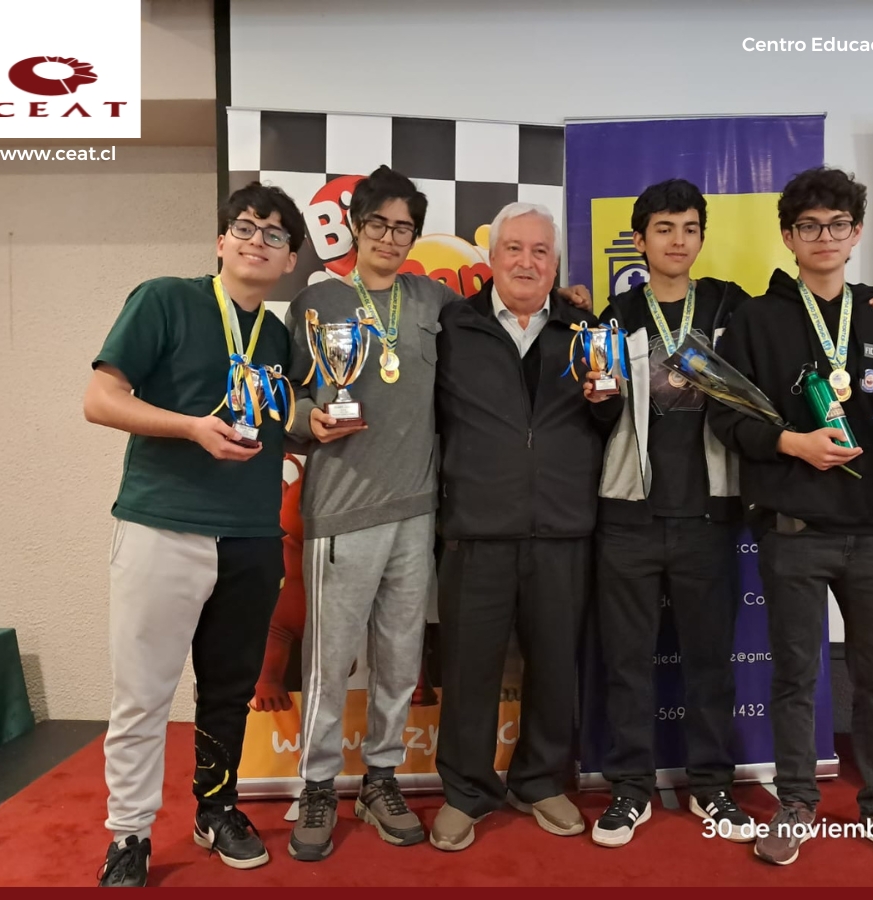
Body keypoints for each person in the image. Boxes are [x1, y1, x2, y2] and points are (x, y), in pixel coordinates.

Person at [590, 179, 873, 848]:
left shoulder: (735, 307)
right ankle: (629, 789)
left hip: (714, 511)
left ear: (702, 238)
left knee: (710, 660)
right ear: (640, 239)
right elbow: (596, 408)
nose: (678, 241)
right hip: (630, 512)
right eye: (664, 229)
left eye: (688, 229)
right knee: (626, 661)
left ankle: (711, 787)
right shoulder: (612, 317)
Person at [284, 169, 591, 861]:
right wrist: (310, 420)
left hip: (421, 515)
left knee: (399, 661)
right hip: (347, 512)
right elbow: (285, 401)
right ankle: (318, 785)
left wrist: (571, 301)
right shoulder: (316, 302)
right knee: (332, 664)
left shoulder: (435, 304)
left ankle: (383, 779)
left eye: (402, 228)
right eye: (378, 225)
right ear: (355, 228)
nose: (390, 238)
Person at [709, 166, 873, 875]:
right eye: (809, 225)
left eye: (837, 225)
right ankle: (795, 803)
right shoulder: (756, 319)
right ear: (787, 236)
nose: (824, 237)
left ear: (857, 233)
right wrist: (792, 442)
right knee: (795, 676)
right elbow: (726, 417)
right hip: (795, 529)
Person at [83, 182, 304, 887]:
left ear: (291, 260)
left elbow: (284, 421)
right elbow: (100, 399)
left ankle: (216, 807)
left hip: (249, 533)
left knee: (229, 688)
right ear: (220, 240)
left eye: (274, 235)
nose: (257, 241)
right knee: (143, 692)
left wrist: (316, 425)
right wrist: (189, 428)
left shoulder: (278, 336)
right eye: (246, 226)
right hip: (162, 525)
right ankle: (129, 834)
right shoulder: (165, 299)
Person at [429, 202, 619, 851]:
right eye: (514, 248)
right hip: (474, 531)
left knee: (555, 669)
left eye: (541, 251)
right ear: (491, 258)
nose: (527, 262)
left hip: (564, 530)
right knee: (469, 669)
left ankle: (539, 779)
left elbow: (609, 427)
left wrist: (608, 403)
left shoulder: (584, 328)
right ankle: (466, 789)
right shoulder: (451, 326)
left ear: (556, 262)